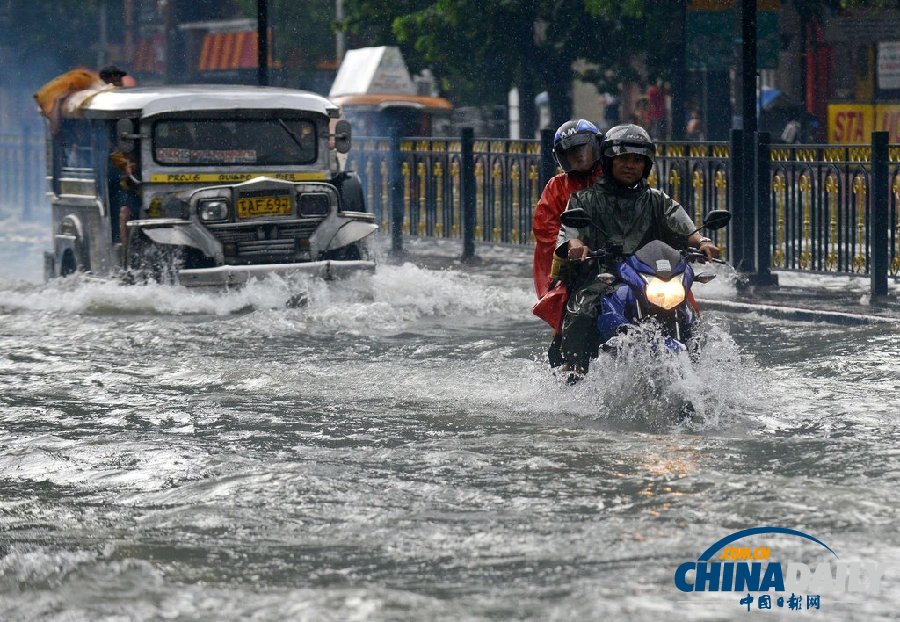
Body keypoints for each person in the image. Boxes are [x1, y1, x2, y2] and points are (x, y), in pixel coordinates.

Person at [555, 124, 720, 378]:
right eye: (623, 159)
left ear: (646, 164)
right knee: (583, 308)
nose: (630, 165)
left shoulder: (656, 199)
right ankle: (573, 368)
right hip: (604, 276)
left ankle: (701, 370)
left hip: (649, 275)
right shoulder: (584, 199)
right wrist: (575, 245)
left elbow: (682, 223)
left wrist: (702, 242)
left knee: (687, 310)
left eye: (637, 160)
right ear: (609, 161)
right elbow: (569, 233)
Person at [531, 119, 604, 367]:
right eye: (571, 152)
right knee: (570, 307)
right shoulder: (557, 186)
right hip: (576, 265)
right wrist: (570, 248)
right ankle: (567, 359)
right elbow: (545, 228)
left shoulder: (615, 178)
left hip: (619, 255)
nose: (578, 155)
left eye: (582, 148)